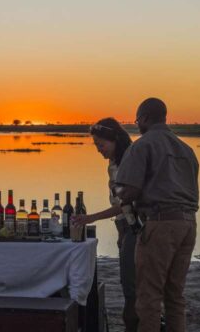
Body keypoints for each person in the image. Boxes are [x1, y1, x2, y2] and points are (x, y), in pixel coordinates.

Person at [114, 98, 200, 332]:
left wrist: (118, 189)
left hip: (160, 224)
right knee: (175, 295)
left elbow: (130, 191)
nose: (137, 124)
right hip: (188, 224)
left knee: (148, 296)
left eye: (137, 120)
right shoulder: (186, 149)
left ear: (144, 118)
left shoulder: (142, 145)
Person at [71, 118, 138, 331]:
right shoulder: (114, 163)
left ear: (116, 139)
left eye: (101, 145)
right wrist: (121, 231)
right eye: (96, 145)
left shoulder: (129, 162)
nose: (99, 150)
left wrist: (91, 218)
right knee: (128, 281)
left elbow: (125, 203)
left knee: (131, 286)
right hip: (126, 227)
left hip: (137, 227)